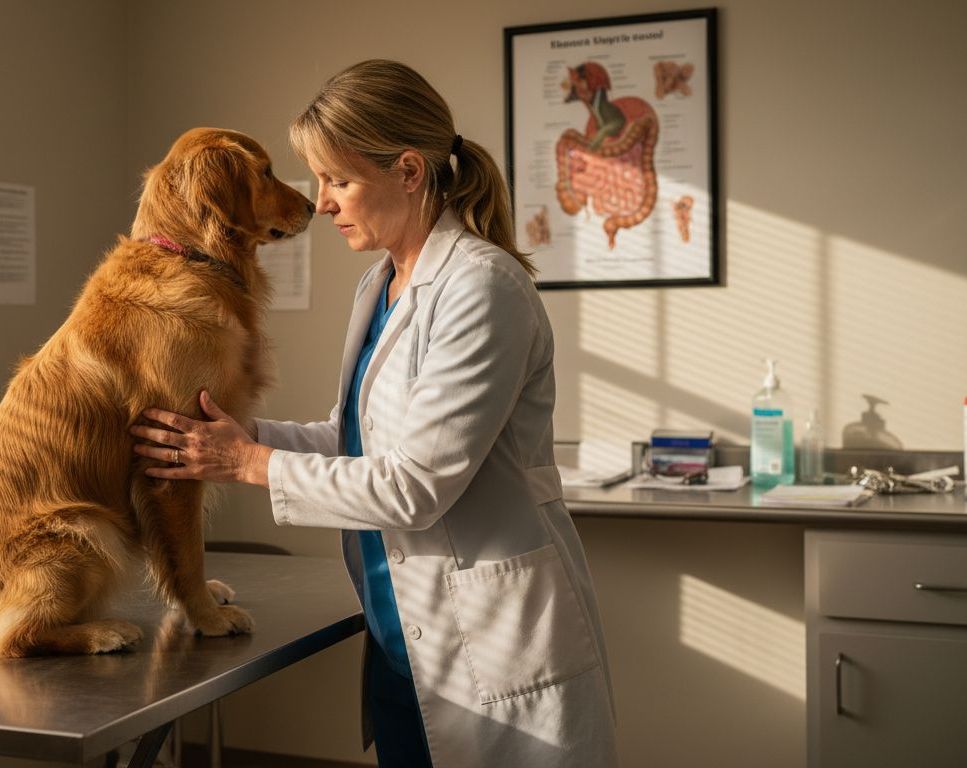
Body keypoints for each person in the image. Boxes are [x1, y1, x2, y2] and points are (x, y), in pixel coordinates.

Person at [130, 59, 618, 768]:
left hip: (493, 650)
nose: (321, 202)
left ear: (411, 171)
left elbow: (414, 486)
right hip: (405, 642)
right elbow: (355, 439)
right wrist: (240, 438)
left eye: (338, 179)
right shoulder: (381, 283)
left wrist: (246, 464)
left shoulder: (482, 289)